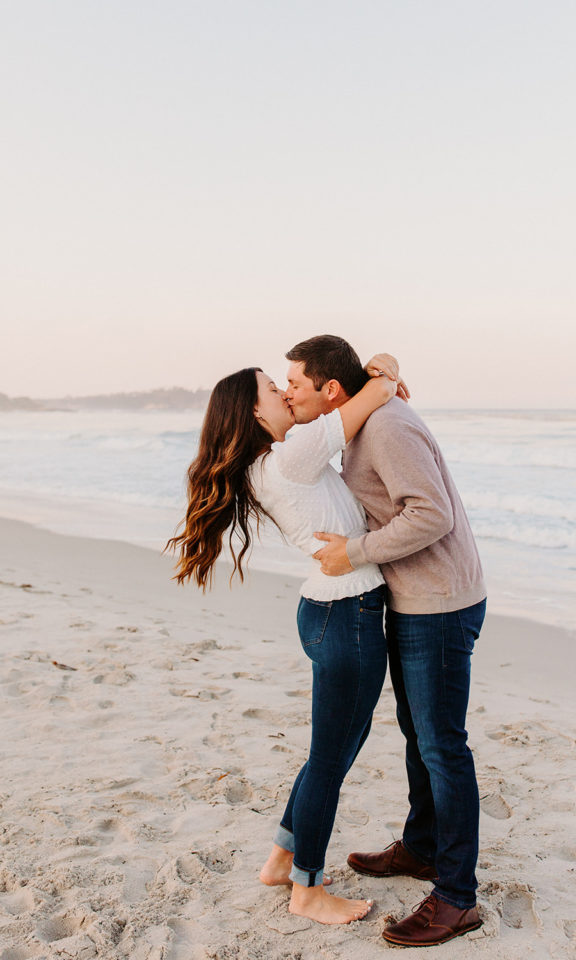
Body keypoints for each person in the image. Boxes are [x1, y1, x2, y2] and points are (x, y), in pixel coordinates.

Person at [166, 364, 400, 925]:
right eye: (274, 389)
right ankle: (308, 890)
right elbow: (373, 396)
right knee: (331, 757)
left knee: (331, 750)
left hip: (330, 609)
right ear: (252, 412)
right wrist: (386, 369)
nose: (286, 393)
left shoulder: (267, 464)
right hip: (350, 611)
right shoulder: (292, 454)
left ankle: (280, 860)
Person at [283, 335, 487, 947]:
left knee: (442, 746)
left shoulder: (387, 428)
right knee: (418, 735)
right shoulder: (359, 421)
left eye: (295, 382)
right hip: (411, 598)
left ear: (332, 389)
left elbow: (432, 514)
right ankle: (423, 849)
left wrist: (355, 552)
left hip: (440, 603)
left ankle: (456, 897)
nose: (288, 392)